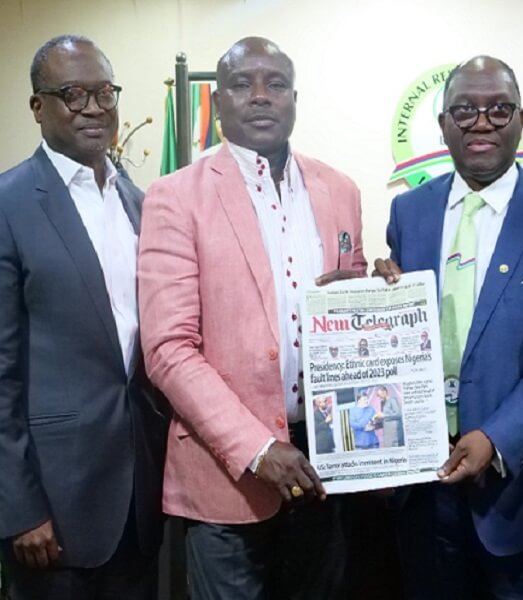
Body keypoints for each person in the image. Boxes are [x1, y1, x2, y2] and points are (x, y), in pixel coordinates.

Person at [137, 37, 367, 600]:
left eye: (276, 84)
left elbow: (353, 305)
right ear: (218, 101)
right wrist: (258, 450)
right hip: (227, 477)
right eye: (242, 84)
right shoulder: (174, 198)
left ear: (295, 98)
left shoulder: (340, 189)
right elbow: (168, 348)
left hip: (326, 467)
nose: (261, 96)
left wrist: (375, 290)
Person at [374, 56, 523, 599]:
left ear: (521, 119)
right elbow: (402, 334)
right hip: (424, 494)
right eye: (465, 110)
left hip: (521, 496)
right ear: (443, 124)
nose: (481, 122)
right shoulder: (410, 213)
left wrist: (497, 438)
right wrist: (369, 297)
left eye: (498, 109)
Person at [0, 35, 168, 599]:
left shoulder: (139, 202)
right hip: (53, 510)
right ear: (37, 107)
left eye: (104, 93)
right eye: (73, 94)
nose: (94, 108)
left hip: (140, 499)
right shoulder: (9, 205)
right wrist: (18, 509)